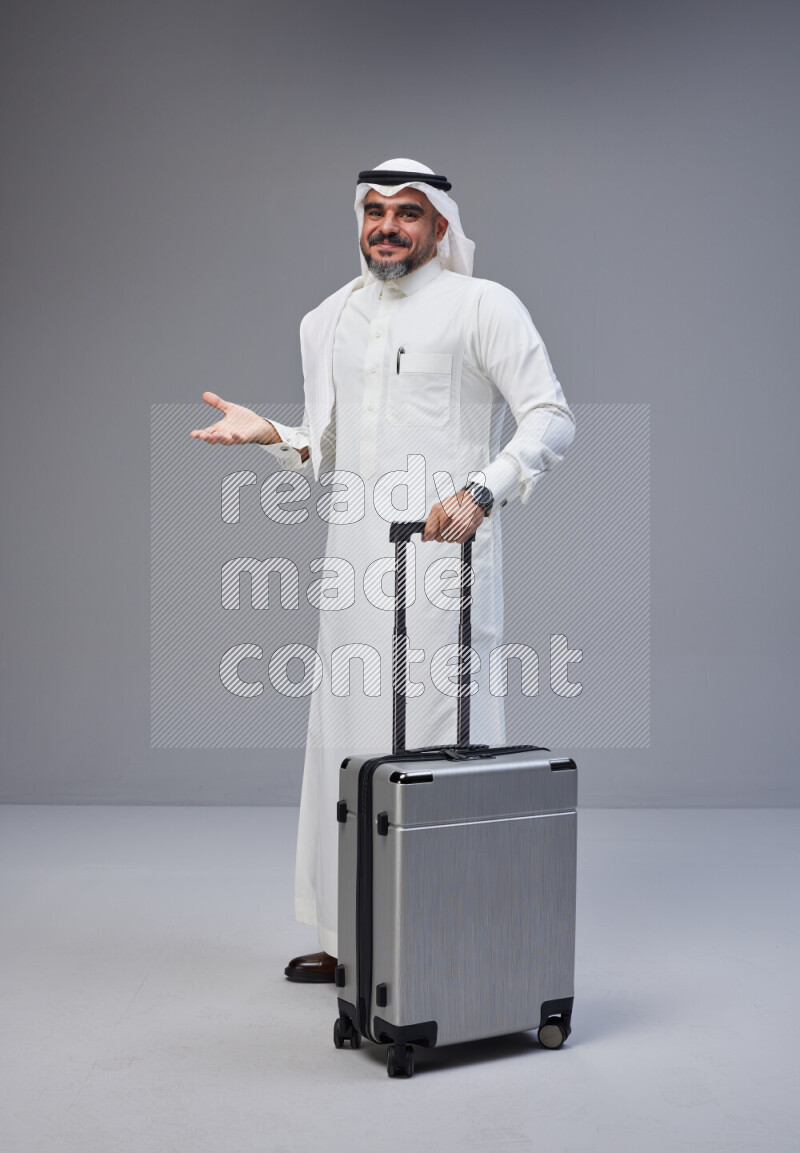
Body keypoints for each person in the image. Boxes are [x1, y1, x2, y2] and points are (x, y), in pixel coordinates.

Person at [191, 158, 575, 982]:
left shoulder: (483, 306)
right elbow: (327, 448)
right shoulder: (326, 318)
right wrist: (273, 435)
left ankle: (438, 936)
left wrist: (485, 489)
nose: (388, 226)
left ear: (440, 224)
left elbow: (551, 416)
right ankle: (351, 934)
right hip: (351, 561)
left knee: (438, 734)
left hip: (443, 560)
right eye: (374, 210)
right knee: (344, 737)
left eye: (407, 211)